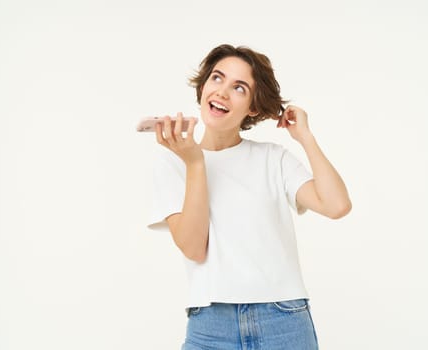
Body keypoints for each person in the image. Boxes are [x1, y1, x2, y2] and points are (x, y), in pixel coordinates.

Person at [147, 44, 351, 350]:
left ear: (253, 108)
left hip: (283, 321)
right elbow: (193, 247)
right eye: (217, 78)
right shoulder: (175, 162)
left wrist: (305, 137)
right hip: (210, 325)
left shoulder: (273, 159)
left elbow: (337, 206)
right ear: (203, 87)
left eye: (239, 88)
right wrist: (195, 162)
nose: (222, 92)